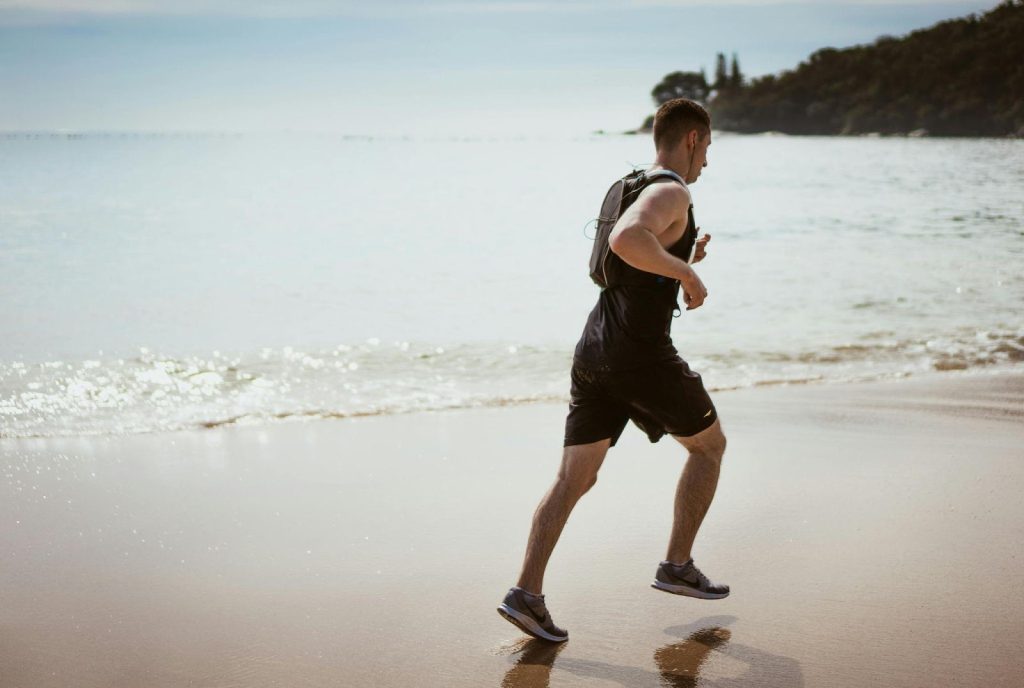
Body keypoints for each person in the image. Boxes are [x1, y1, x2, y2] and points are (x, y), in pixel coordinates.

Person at [497, 98, 729, 643]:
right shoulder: (672, 190)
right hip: (639, 356)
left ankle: (525, 593)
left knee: (574, 479)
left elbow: (616, 264)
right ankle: (677, 565)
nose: (707, 164)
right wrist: (687, 277)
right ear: (692, 139)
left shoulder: (628, 185)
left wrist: (676, 260)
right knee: (709, 447)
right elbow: (628, 242)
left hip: (594, 351)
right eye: (708, 149)